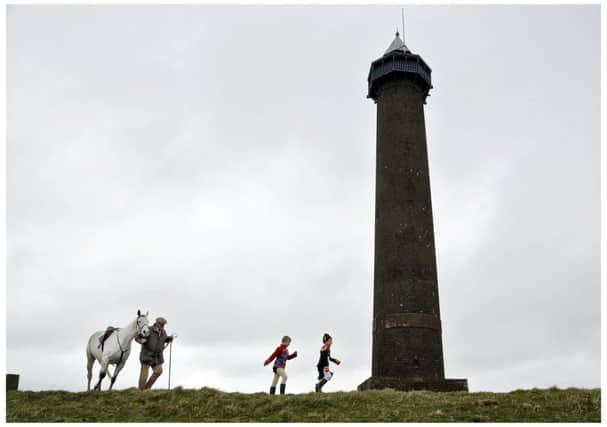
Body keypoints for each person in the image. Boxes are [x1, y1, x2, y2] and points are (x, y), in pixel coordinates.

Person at [136, 317, 174, 390]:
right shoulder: (148, 330)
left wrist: (168, 339)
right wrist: (141, 340)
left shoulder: (163, 332)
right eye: (160, 324)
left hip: (156, 357)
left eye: (163, 324)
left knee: (159, 371)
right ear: (156, 323)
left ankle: (146, 389)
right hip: (146, 355)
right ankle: (140, 392)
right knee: (144, 376)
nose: (162, 325)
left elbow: (163, 339)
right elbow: (137, 338)